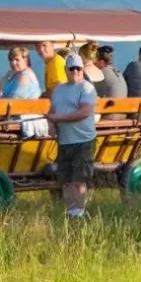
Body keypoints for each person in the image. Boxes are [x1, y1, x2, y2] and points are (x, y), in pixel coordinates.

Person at [48, 53, 98, 220]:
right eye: (72, 68)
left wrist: (58, 119)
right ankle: (71, 212)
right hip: (65, 140)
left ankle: (80, 212)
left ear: (82, 69)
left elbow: (84, 112)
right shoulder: (58, 90)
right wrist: (51, 125)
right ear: (66, 70)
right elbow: (52, 112)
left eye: (78, 68)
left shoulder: (87, 88)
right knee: (67, 180)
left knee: (79, 179)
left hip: (83, 140)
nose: (75, 71)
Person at [0, 45, 47, 137]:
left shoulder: (24, 76)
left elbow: (13, 100)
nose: (13, 62)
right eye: (11, 60)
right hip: (9, 114)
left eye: (17, 60)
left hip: (19, 117)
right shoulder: (14, 75)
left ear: (25, 60)